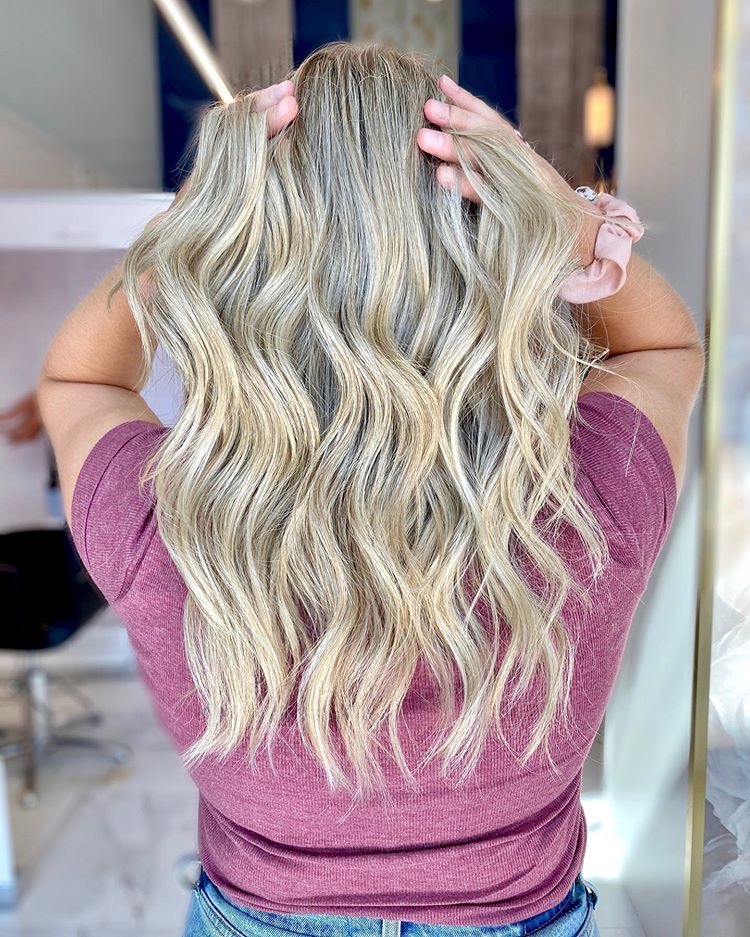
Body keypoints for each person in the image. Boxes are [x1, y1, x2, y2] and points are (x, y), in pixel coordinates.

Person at [34, 41, 704, 937]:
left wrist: (184, 231)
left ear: (241, 261)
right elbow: (663, 347)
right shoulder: (589, 501)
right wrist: (565, 219)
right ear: (488, 249)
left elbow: (78, 381)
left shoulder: (163, 526)